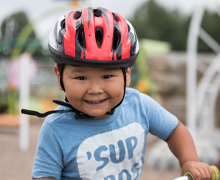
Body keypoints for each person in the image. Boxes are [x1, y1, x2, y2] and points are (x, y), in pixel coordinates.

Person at [22, 6, 214, 180]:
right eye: (81, 78)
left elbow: (174, 130)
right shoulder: (56, 129)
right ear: (59, 76)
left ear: (127, 75)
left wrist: (189, 161)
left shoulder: (139, 105)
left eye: (107, 76)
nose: (95, 89)